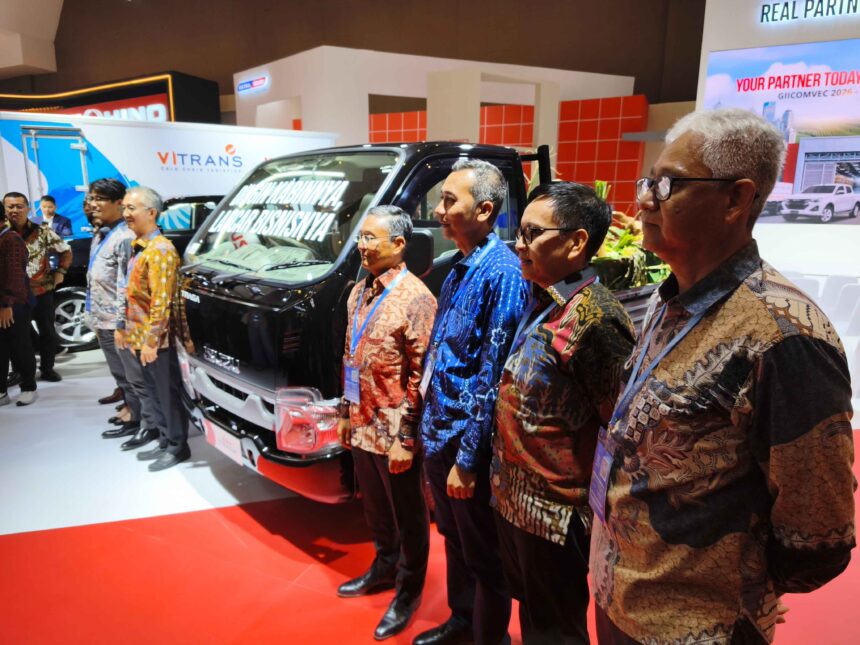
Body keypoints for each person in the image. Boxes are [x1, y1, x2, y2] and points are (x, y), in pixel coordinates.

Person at [589, 108, 856, 644]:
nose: (645, 201)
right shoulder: (669, 300)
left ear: (736, 199)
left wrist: (745, 584)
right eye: (648, 182)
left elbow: (818, 536)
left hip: (695, 629)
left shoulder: (784, 337)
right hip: (621, 597)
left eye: (668, 185)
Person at [491, 182, 635, 644]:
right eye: (520, 232)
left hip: (556, 515)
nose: (519, 244)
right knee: (535, 618)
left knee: (556, 630)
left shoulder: (596, 318)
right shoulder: (545, 299)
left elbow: (621, 430)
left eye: (533, 233)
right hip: (515, 500)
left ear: (576, 243)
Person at [415, 159, 528, 645]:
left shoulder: (503, 273)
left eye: (448, 201)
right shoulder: (459, 266)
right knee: (455, 540)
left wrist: (467, 460)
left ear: (484, 210)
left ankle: (488, 637)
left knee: (484, 556)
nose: (439, 211)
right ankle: (462, 621)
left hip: (468, 444)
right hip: (440, 433)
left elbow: (493, 374)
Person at [335, 205, 436, 640]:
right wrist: (345, 412)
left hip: (395, 430)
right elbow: (350, 354)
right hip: (362, 421)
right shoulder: (359, 291)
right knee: (375, 508)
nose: (362, 245)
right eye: (361, 236)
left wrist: (406, 439)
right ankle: (383, 565)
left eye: (371, 238)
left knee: (408, 515)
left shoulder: (417, 298)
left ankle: (408, 590)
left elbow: (421, 375)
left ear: (398, 244)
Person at [116, 186, 189, 471]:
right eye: (124, 208)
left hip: (157, 341)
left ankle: (177, 446)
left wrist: (151, 341)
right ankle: (164, 439)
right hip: (140, 336)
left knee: (166, 394)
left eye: (131, 208)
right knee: (153, 393)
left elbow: (162, 302)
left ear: (151, 212)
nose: (126, 213)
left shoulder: (161, 251)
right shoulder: (140, 246)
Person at [86, 179, 147, 438]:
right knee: (119, 374)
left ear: (118, 203)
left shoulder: (124, 237)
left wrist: (122, 324)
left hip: (117, 322)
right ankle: (130, 410)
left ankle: (139, 420)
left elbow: (127, 286)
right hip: (103, 318)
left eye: (99, 199)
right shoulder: (103, 232)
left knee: (131, 375)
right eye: (91, 198)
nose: (93, 204)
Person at [4, 192, 71, 383]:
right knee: (16, 335)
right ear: (4, 209)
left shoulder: (42, 231)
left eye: (19, 206)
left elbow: (65, 251)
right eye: (10, 206)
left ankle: (47, 368)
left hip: (41, 290)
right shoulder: (3, 234)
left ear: (27, 208)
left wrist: (61, 272)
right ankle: (20, 371)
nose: (15, 210)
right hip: (14, 296)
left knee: (47, 331)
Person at [0, 206, 38, 406]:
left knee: (20, 346)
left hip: (14, 304)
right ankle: (1, 391)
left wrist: (6, 304)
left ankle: (29, 387)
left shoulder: (11, 239)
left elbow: (15, 276)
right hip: (4, 304)